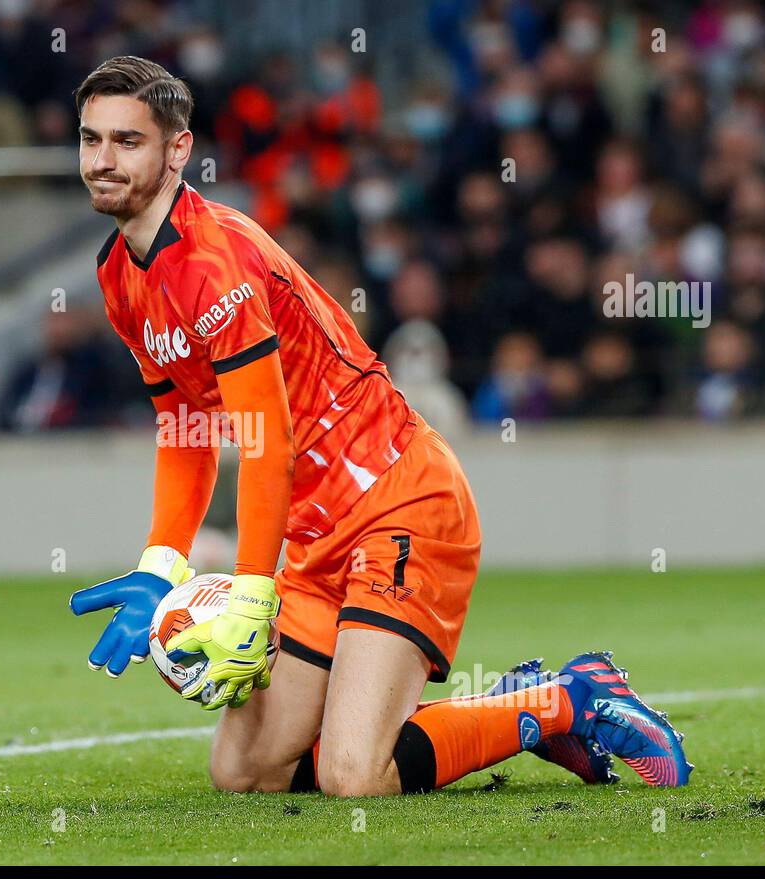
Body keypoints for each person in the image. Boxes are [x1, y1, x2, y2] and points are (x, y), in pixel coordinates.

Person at [66, 57, 691, 796]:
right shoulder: (119, 274)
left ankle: (565, 699)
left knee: (354, 776)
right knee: (244, 771)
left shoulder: (213, 262)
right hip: (315, 533)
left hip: (397, 502)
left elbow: (268, 442)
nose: (102, 160)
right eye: (91, 139)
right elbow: (185, 427)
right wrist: (160, 565)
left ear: (178, 150)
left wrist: (253, 592)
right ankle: (421, 712)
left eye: (127, 141)